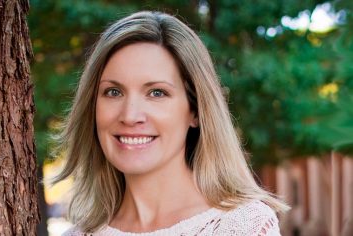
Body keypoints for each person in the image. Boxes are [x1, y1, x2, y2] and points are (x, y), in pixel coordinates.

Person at [54, 11, 289, 236]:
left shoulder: (242, 227)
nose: (130, 115)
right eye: (113, 92)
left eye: (156, 93)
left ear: (195, 110)